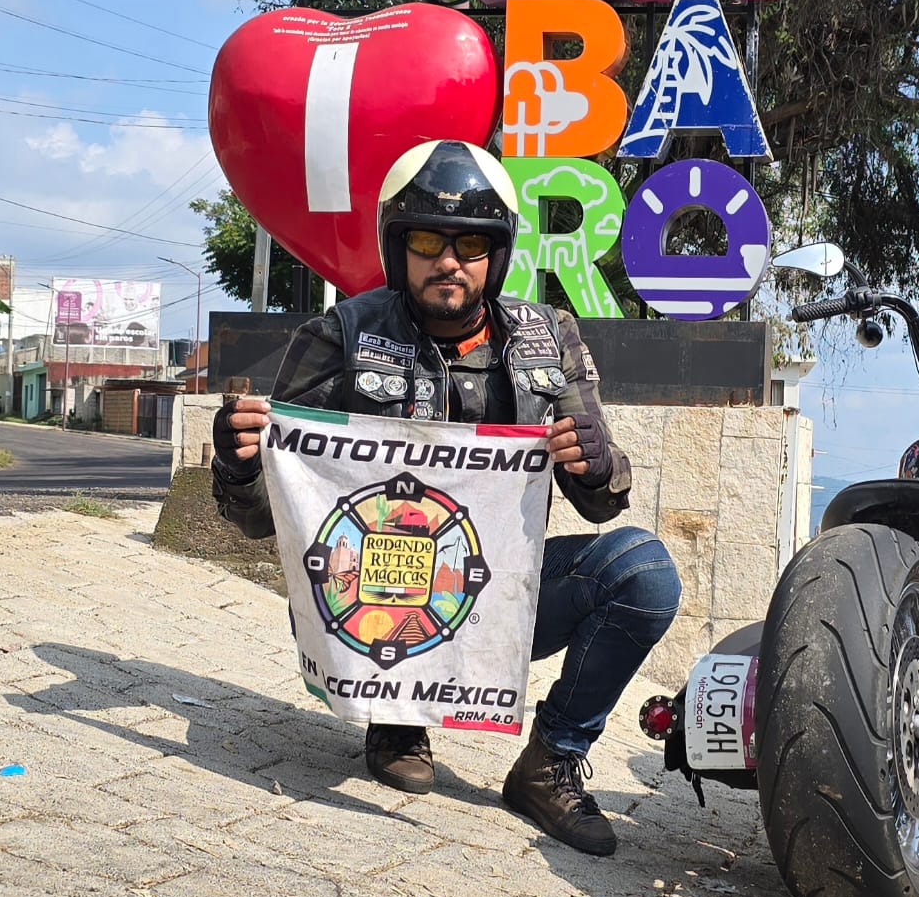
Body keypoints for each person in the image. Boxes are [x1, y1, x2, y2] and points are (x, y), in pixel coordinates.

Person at [211, 140, 681, 857]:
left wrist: (593, 461)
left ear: (498, 253)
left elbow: (602, 503)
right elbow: (262, 521)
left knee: (644, 573)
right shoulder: (338, 337)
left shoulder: (549, 338)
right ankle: (395, 713)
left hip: (500, 593)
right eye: (428, 242)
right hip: (374, 596)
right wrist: (241, 463)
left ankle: (550, 761)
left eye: (471, 244)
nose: (449, 262)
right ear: (397, 248)